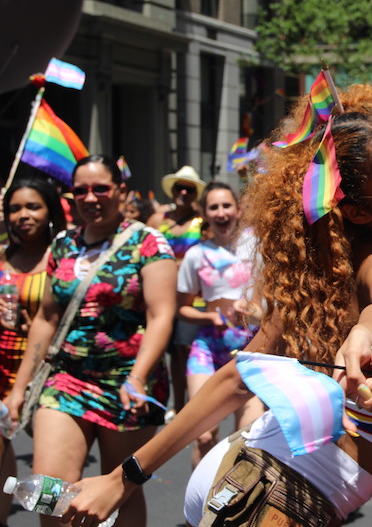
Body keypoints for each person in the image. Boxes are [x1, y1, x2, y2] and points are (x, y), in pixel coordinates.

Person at [59, 85, 372, 527]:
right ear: (360, 211)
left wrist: (125, 476)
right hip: (276, 497)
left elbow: (233, 380)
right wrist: (368, 335)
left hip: (246, 473)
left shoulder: (322, 276)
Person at [3, 155, 177, 527]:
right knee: (50, 492)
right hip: (66, 381)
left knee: (119, 491)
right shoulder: (64, 244)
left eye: (101, 188)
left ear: (121, 191)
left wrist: (138, 376)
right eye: (80, 190)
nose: (90, 197)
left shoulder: (148, 242)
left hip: (127, 384)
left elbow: (161, 315)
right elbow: (48, 318)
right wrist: (19, 390)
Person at [176, 181, 264, 466]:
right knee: (202, 434)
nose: (221, 212)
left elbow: (273, 296)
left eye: (226, 205)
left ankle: (230, 505)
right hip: (209, 349)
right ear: (205, 213)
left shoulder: (257, 245)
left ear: (238, 210)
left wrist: (253, 308)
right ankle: (197, 506)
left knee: (247, 438)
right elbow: (182, 309)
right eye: (214, 207)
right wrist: (209, 316)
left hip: (251, 349)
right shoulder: (196, 255)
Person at [0, 179, 66, 527]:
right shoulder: (0, 257)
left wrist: (33, 330)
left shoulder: (63, 259)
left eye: (32, 207)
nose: (23, 215)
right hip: (1, 367)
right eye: (14, 208)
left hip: (47, 374)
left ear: (50, 211)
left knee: (47, 476)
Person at [147, 165, 206, 415]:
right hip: (159, 295)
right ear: (172, 191)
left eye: (189, 188)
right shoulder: (157, 221)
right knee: (161, 350)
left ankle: (186, 406)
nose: (183, 192)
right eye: (179, 187)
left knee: (184, 351)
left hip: (190, 298)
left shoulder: (203, 221)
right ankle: (170, 401)